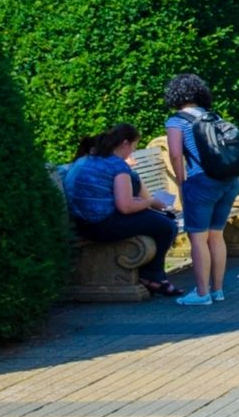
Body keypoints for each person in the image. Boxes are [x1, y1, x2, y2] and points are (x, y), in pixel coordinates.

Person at [64, 123, 183, 299]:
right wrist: (150, 201)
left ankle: (153, 276)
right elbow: (125, 207)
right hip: (102, 225)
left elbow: (107, 197)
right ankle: (152, 276)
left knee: (154, 220)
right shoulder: (117, 166)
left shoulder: (86, 159)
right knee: (167, 226)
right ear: (125, 143)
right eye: (134, 147)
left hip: (82, 223)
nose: (132, 152)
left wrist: (138, 203)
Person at [164, 73, 239, 307]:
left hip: (200, 181)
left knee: (198, 238)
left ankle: (202, 292)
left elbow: (176, 154)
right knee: (216, 236)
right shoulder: (214, 116)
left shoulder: (176, 121)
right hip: (228, 179)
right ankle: (217, 290)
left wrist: (181, 182)